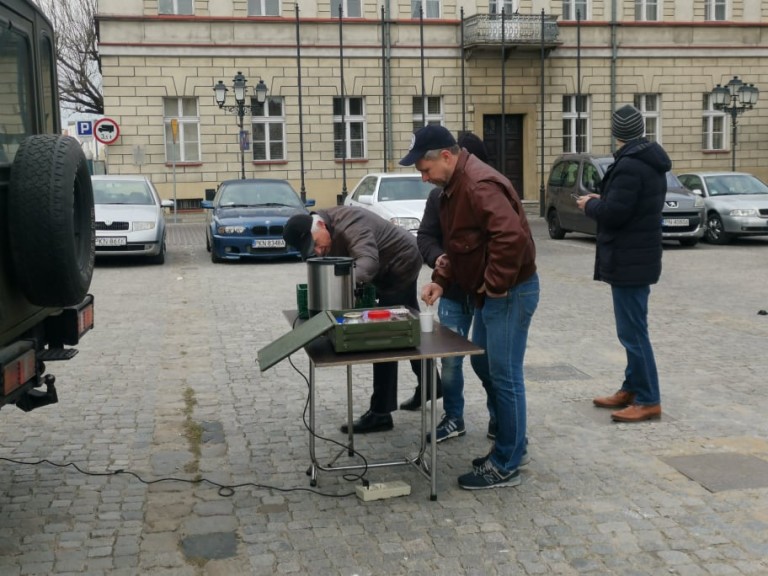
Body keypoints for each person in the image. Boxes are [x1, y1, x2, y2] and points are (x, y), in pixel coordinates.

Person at [404, 125, 539, 490]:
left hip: (510, 293)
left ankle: (507, 461)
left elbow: (511, 238)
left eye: (425, 170)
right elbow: (464, 247)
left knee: (505, 374)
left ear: (445, 157)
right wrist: (442, 281)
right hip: (497, 294)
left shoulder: (477, 185)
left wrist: (493, 284)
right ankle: (511, 446)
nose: (424, 177)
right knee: (484, 363)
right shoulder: (454, 186)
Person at [282, 206, 440, 434]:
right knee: (408, 330)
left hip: (400, 263)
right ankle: (432, 385)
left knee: (387, 336)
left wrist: (338, 286)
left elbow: (368, 262)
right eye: (312, 249)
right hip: (385, 265)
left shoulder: (351, 225)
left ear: (322, 226)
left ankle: (380, 414)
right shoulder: (320, 225)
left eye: (317, 244)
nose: (318, 251)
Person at [576, 104, 668, 423]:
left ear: (617, 132)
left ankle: (648, 399)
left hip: (630, 259)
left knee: (633, 332)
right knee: (631, 329)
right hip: (636, 257)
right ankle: (632, 387)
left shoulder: (631, 165)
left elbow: (616, 213)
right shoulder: (647, 161)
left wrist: (591, 205)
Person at [412, 132, 497, 444]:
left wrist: (493, 280)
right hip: (452, 290)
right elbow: (425, 238)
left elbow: (503, 242)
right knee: (449, 362)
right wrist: (441, 260)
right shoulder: (438, 197)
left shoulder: (483, 190)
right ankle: (454, 417)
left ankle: (499, 418)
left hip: (487, 292)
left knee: (488, 361)